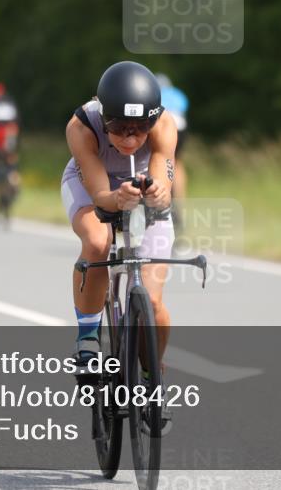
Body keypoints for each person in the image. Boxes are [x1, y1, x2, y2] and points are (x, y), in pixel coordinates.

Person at [61, 61, 178, 427]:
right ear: (104, 118)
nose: (130, 138)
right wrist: (116, 198)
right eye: (119, 128)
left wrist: (157, 194)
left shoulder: (165, 125)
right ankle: (87, 338)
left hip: (138, 185)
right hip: (92, 185)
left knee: (153, 303)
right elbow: (100, 196)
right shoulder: (82, 126)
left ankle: (151, 377)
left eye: (140, 128)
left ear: (152, 120)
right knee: (98, 241)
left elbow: (163, 187)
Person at [156, 73, 189, 206]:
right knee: (177, 162)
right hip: (181, 128)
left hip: (165, 126)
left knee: (161, 159)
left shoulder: (153, 94)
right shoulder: (178, 94)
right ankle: (179, 202)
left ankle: (164, 200)